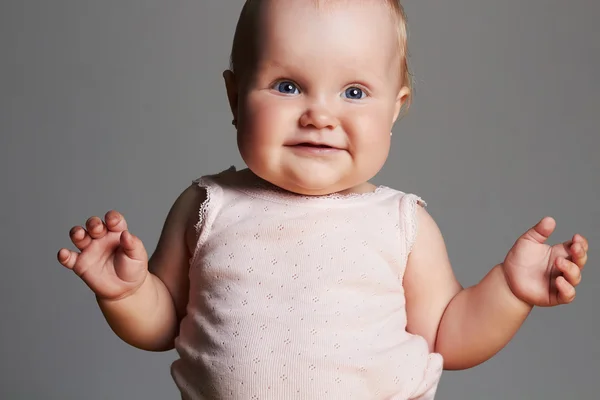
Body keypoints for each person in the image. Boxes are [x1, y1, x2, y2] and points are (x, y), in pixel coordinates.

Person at [57, 1, 590, 399]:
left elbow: (449, 335)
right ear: (234, 97)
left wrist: (510, 291)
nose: (319, 114)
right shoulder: (208, 205)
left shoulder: (402, 223)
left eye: (353, 92)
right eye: (287, 86)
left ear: (394, 109)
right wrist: (126, 293)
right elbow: (166, 324)